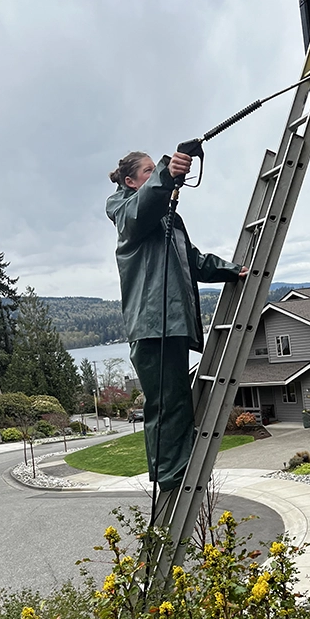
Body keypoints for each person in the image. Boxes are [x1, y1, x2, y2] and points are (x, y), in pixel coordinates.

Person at [107, 150, 246, 491]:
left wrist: (231, 271)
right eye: (149, 171)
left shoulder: (170, 220)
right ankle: (171, 478)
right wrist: (168, 172)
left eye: (157, 170)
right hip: (152, 325)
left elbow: (194, 261)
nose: (156, 175)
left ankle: (179, 469)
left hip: (173, 323)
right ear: (131, 181)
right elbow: (142, 210)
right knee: (165, 404)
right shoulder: (123, 209)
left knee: (179, 401)